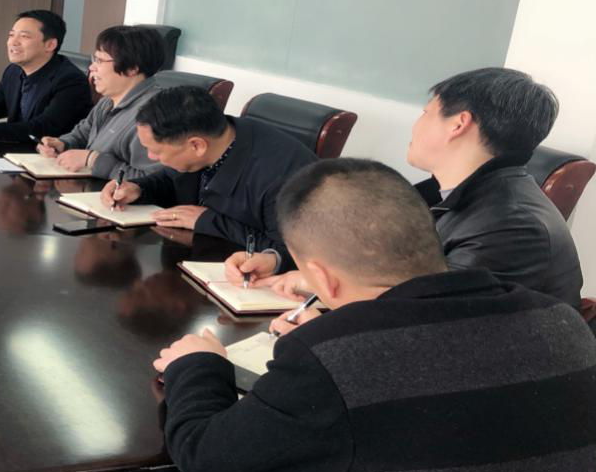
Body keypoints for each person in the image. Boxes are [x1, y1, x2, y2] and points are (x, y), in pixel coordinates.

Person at [138, 159, 596, 472]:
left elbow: (208, 457)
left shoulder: (337, 355)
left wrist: (199, 365)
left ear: (321, 279)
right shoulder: (560, 321)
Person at [227, 67, 584, 309]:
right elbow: (379, 262)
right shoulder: (446, 193)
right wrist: (299, 273)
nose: (416, 125)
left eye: (427, 112)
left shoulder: (513, 226)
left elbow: (428, 315)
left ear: (458, 124)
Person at [105, 85, 316, 267]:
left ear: (197, 145)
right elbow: (171, 180)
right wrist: (138, 188)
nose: (151, 157)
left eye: (156, 151)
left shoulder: (280, 177)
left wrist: (208, 221)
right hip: (196, 261)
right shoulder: (215, 139)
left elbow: (291, 254)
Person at [36, 25, 162, 181]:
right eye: (94, 59)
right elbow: (83, 133)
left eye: (100, 61)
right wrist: (62, 144)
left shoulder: (154, 114)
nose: (91, 67)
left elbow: (153, 180)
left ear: (131, 69)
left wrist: (93, 160)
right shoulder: (108, 100)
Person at [0, 10, 92, 142]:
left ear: (50, 45)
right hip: (16, 151)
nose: (13, 42)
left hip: (48, 157)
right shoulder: (14, 70)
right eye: (11, 35)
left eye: (24, 36)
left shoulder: (71, 81)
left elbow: (41, 129)